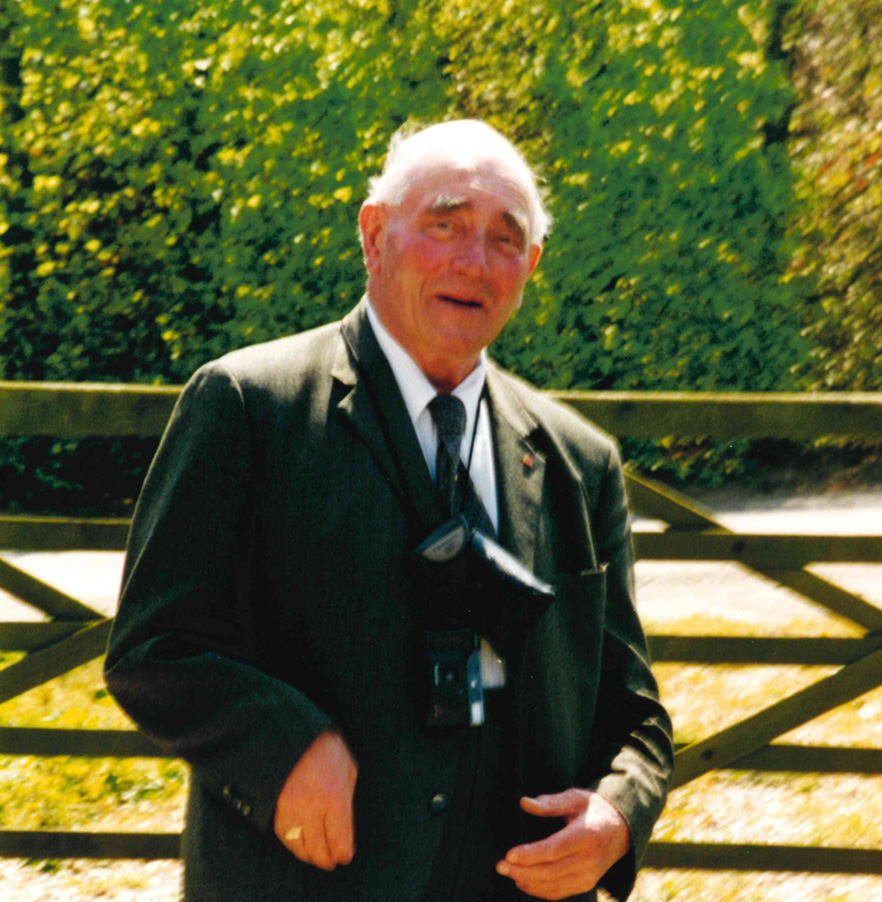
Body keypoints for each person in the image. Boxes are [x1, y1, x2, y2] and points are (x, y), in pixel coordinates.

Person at [105, 118, 673, 902]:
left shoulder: (581, 461)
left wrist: (618, 815)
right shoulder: (249, 408)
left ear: (530, 266)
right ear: (374, 235)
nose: (473, 261)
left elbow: (634, 714)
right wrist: (285, 747)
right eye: (445, 225)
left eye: (506, 240)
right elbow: (153, 646)